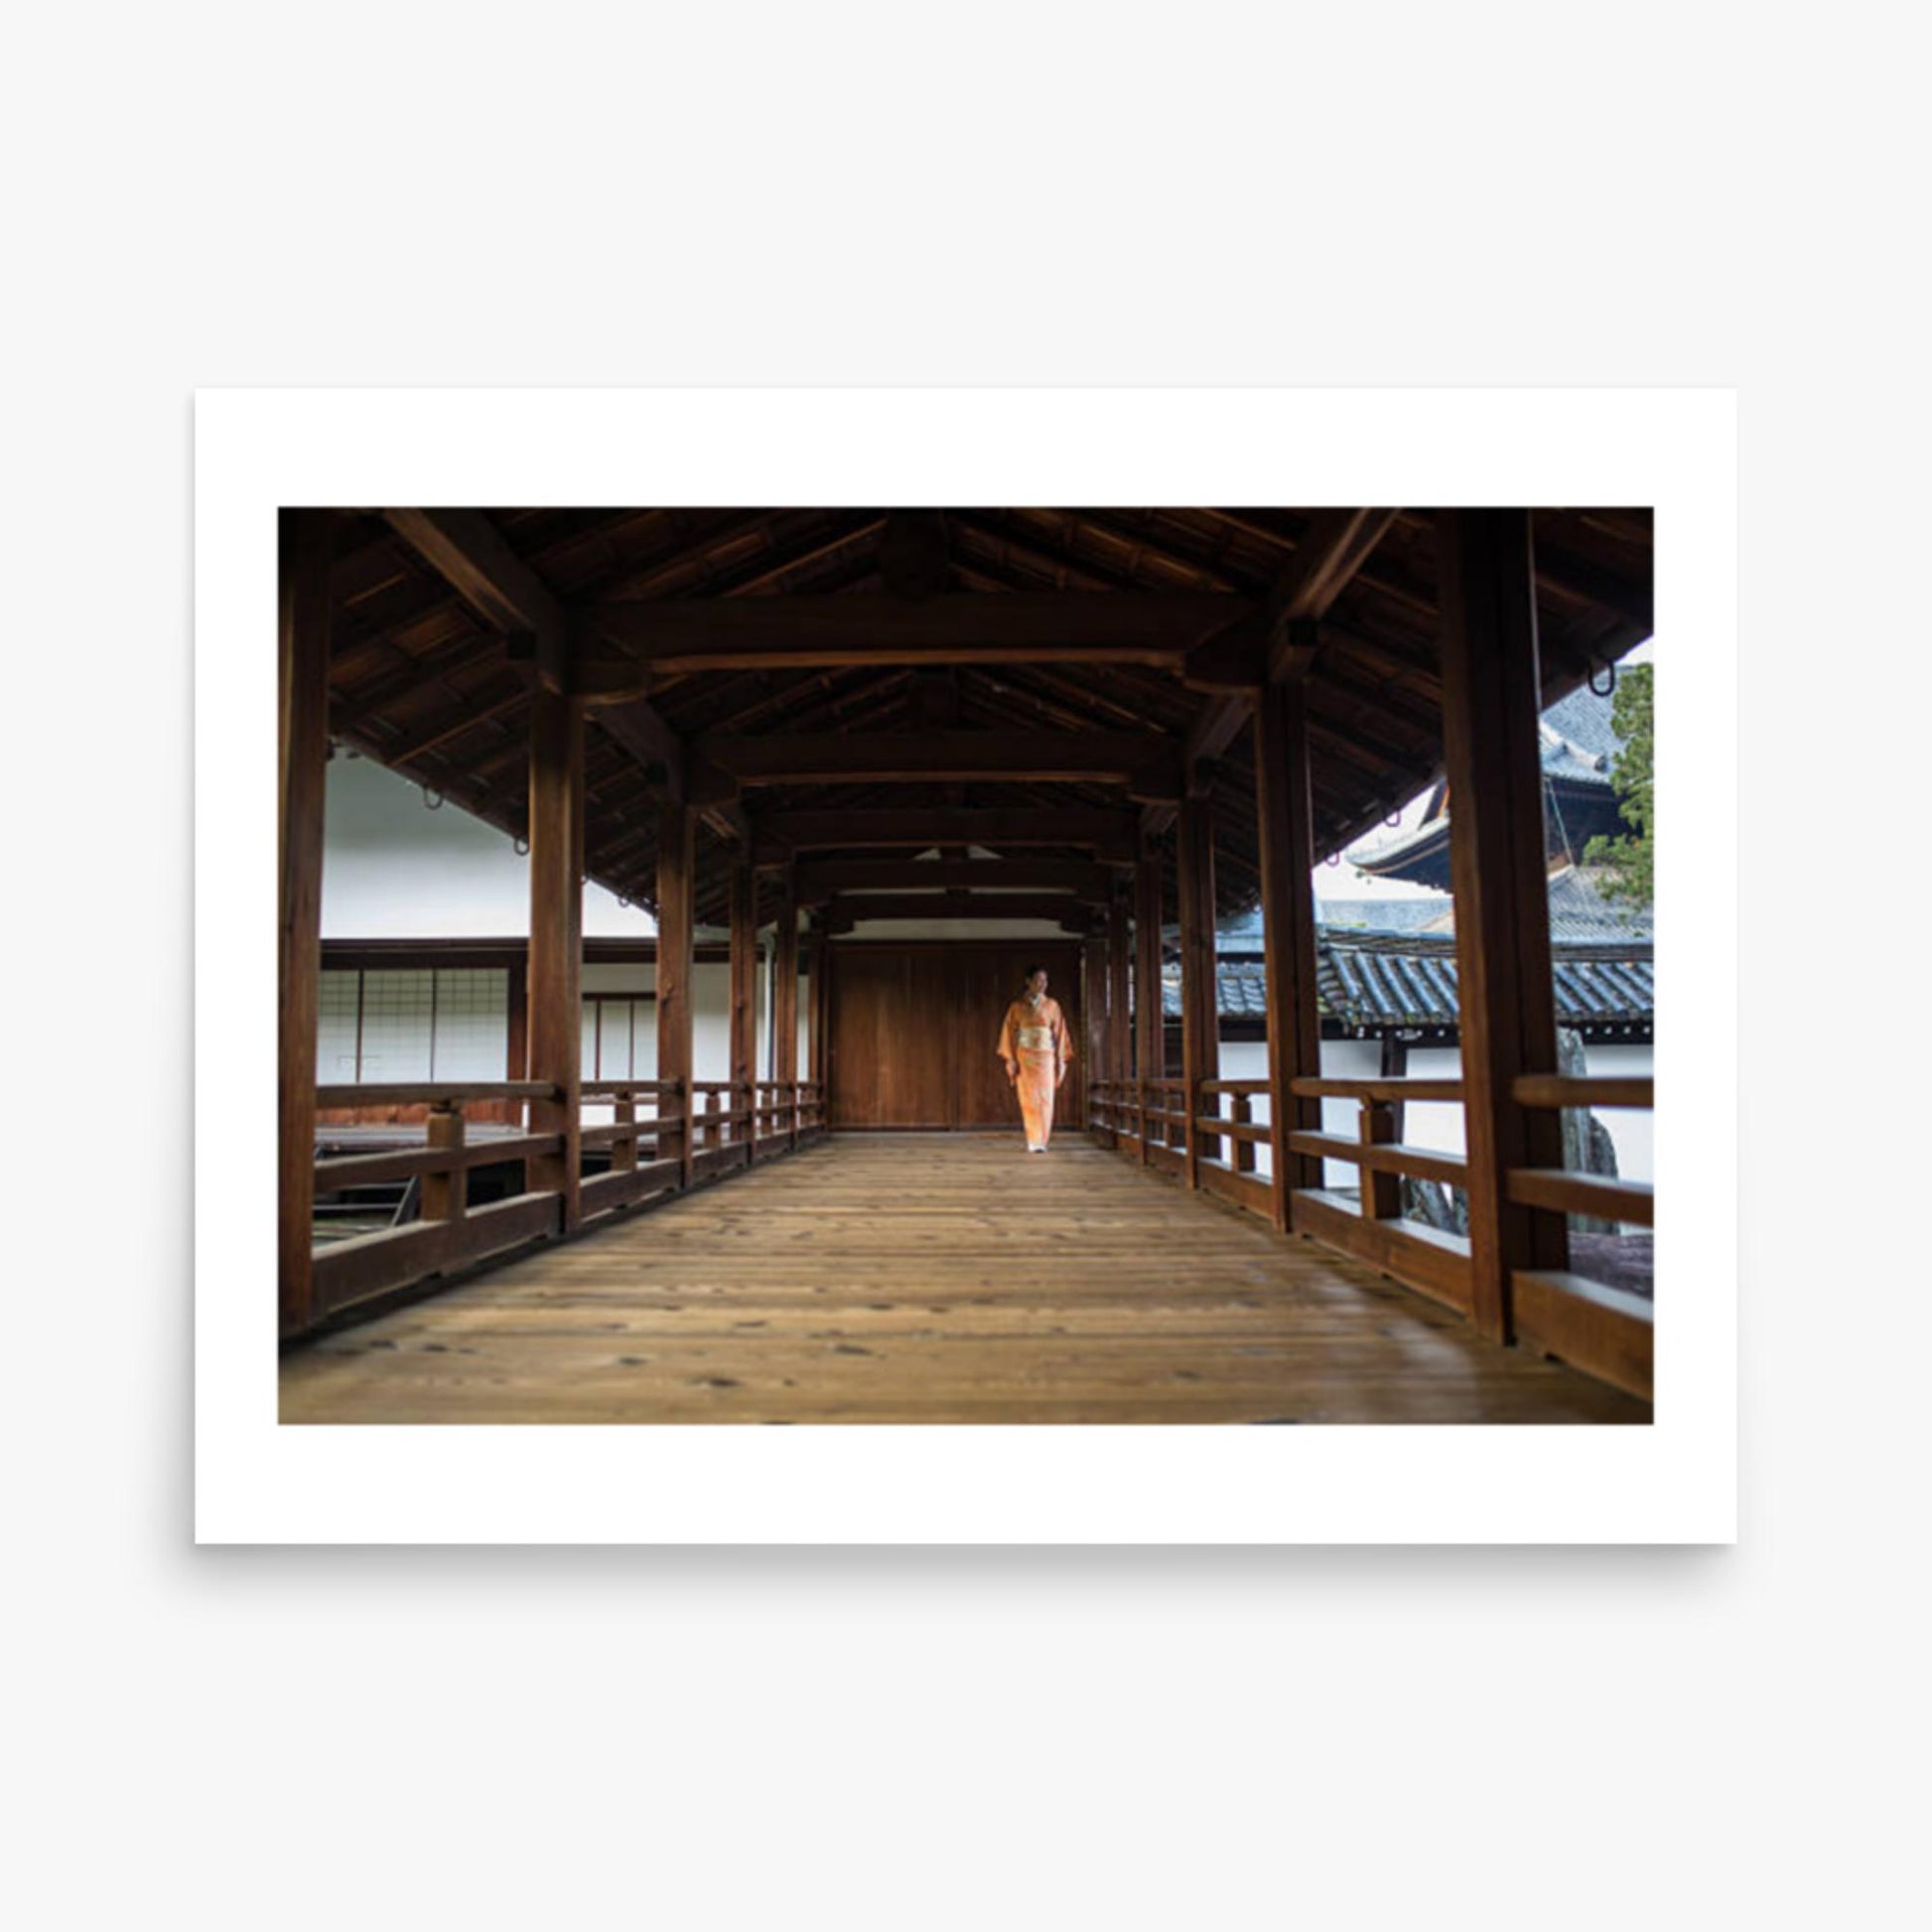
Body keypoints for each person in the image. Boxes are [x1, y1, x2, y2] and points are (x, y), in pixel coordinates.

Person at [996, 964, 1072, 1153]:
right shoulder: (1017, 1007)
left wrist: (1061, 1058)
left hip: (1046, 1057)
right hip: (1025, 1056)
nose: (1042, 984)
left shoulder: (1052, 1005)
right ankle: (1033, 1140)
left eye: (1045, 980)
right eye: (1038, 980)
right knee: (1028, 1098)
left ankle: (1043, 1140)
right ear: (1028, 982)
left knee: (1046, 1098)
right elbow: (1008, 1033)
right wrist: (1011, 1059)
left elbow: (1060, 1033)